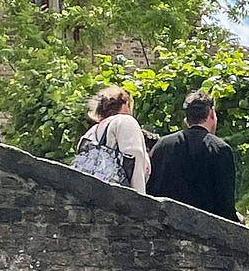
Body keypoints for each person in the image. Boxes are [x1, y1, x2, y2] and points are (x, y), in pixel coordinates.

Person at [148, 90, 239, 221]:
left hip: (164, 226)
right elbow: (225, 203)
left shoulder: (162, 146)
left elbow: (151, 190)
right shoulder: (220, 149)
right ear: (211, 114)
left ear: (187, 118)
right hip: (206, 232)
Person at [74, 85, 150, 194]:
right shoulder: (126, 122)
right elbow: (135, 165)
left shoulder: (90, 133)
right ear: (126, 104)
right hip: (118, 201)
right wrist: (139, 203)